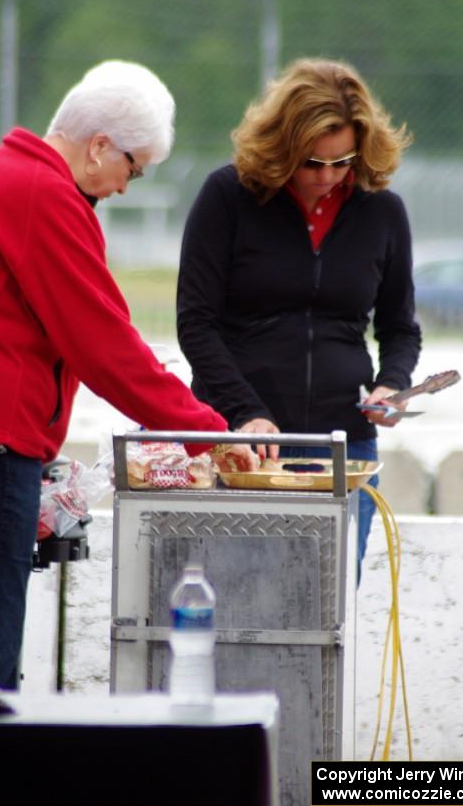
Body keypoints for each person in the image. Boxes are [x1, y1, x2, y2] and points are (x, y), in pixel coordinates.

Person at [0, 60, 258, 690]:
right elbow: (105, 347)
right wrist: (209, 433)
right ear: (99, 146)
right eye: (132, 169)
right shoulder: (42, 193)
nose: (125, 188)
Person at [176, 57, 422, 581]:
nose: (328, 178)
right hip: (243, 445)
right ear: (281, 145)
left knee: (325, 609)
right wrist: (245, 412)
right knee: (235, 603)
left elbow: (400, 326)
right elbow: (195, 321)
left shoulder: (384, 212)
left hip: (343, 450)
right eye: (312, 163)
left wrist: (391, 386)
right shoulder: (227, 197)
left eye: (344, 162)